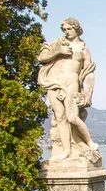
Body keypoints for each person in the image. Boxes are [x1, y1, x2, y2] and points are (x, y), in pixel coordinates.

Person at [38, 18, 99, 160]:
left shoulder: (84, 50)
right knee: (60, 116)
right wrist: (58, 51)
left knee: (72, 117)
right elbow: (41, 57)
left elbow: (88, 72)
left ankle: (89, 142)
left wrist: (88, 93)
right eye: (64, 30)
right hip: (54, 82)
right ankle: (66, 151)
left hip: (71, 81)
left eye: (69, 29)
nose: (66, 32)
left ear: (76, 29)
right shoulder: (58, 44)